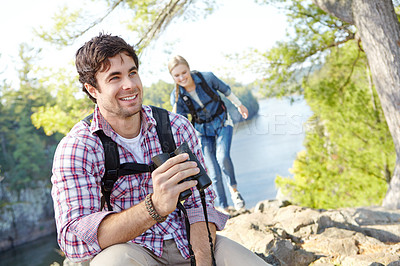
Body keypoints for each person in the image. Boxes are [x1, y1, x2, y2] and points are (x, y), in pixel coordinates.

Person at [51, 33, 267, 265]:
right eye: (115, 77)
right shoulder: (78, 148)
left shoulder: (176, 127)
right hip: (131, 251)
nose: (130, 85)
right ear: (93, 90)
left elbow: (200, 206)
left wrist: (203, 261)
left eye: (132, 73)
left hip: (190, 244)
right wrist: (154, 206)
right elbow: (74, 242)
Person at [168, 55, 248, 213]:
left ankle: (235, 192)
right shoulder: (176, 97)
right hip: (202, 132)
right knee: (213, 170)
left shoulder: (207, 78)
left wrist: (240, 105)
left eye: (184, 72)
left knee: (222, 157)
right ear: (172, 77)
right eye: (176, 75)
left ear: (189, 69)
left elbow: (226, 90)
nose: (182, 77)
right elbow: (181, 122)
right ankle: (224, 207)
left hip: (222, 122)